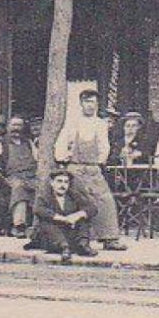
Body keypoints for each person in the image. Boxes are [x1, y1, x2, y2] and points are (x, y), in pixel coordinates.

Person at [54, 88, 124, 251]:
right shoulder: (73, 122)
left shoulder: (100, 124)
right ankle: (76, 239)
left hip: (93, 169)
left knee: (105, 199)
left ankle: (109, 238)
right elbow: (61, 142)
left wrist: (99, 161)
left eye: (93, 102)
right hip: (75, 168)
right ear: (81, 104)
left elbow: (104, 146)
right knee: (78, 201)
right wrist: (63, 157)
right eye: (87, 102)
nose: (90, 106)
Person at [28, 167, 96, 260]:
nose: (62, 185)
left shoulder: (73, 195)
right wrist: (63, 219)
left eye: (66, 182)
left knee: (84, 218)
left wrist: (76, 216)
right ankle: (64, 247)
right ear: (52, 183)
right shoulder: (45, 196)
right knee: (46, 221)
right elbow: (38, 210)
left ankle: (83, 245)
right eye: (59, 181)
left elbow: (92, 208)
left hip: (70, 234)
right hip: (50, 238)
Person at [1, 116, 38, 235]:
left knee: (43, 189)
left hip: (31, 176)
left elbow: (37, 158)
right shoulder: (2, 143)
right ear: (8, 127)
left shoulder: (28, 143)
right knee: (19, 188)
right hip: (13, 176)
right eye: (13, 125)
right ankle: (19, 225)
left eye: (19, 125)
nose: (16, 128)